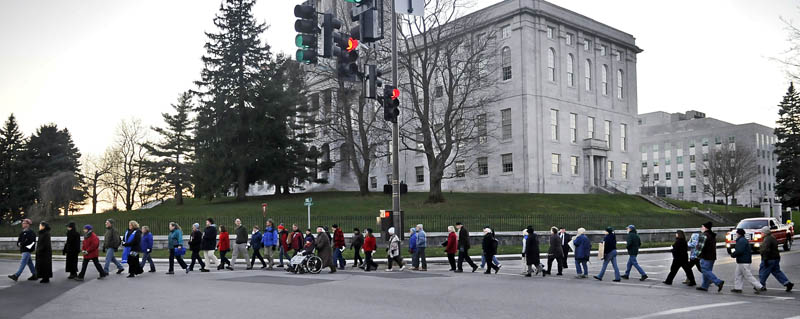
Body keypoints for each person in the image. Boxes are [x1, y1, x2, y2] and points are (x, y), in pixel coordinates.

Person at [758, 226, 794, 292]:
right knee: (776, 272)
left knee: (763, 272)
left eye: (762, 232)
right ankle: (787, 283)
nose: (761, 233)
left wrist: (765, 259)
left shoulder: (767, 239)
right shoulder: (772, 237)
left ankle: (761, 286)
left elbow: (765, 250)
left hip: (769, 259)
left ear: (765, 233)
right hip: (776, 258)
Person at [730, 228, 764, 293]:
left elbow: (740, 251)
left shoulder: (741, 241)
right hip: (742, 261)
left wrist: (733, 254)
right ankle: (738, 288)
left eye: (737, 233)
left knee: (748, 275)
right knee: (738, 275)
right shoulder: (743, 240)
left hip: (743, 261)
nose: (736, 234)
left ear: (739, 234)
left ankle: (759, 286)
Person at [697, 221, 724, 292]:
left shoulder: (704, 235)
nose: (701, 228)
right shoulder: (712, 235)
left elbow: (700, 247)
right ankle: (704, 286)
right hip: (712, 256)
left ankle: (718, 282)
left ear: (705, 228)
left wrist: (696, 255)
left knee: (705, 270)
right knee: (707, 270)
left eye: (702, 226)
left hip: (705, 256)